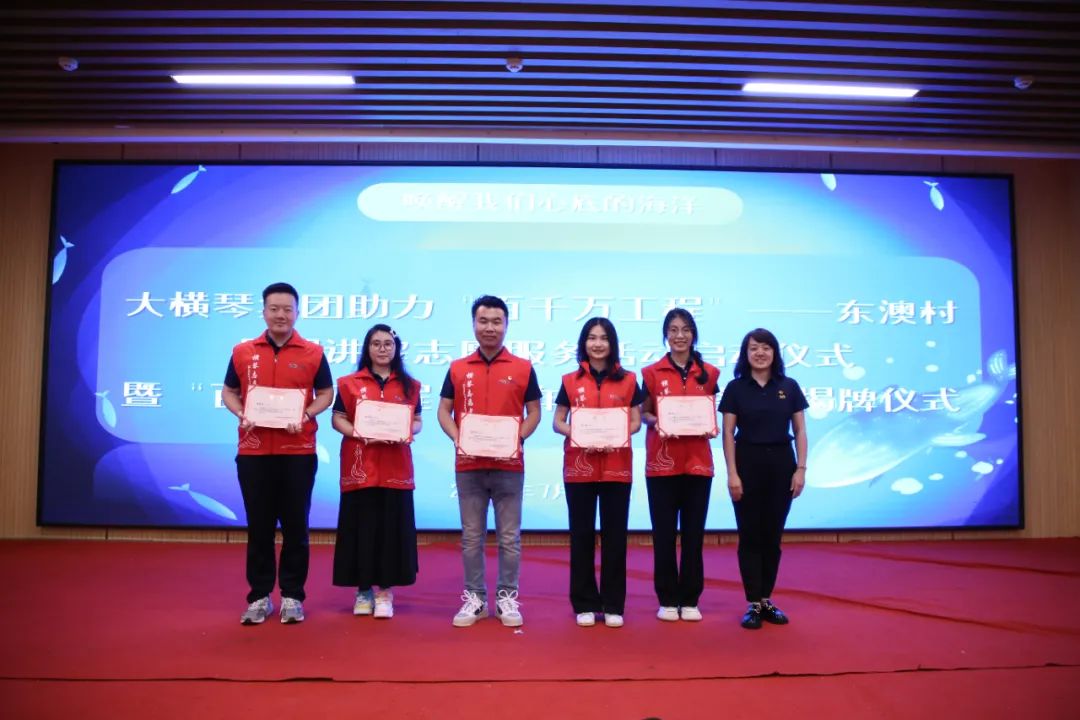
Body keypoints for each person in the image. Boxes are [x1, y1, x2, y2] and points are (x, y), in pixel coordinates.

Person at [221, 282, 333, 625]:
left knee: (296, 526)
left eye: (287, 309)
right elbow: (229, 391)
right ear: (264, 311)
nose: (281, 315)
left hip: (298, 451)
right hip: (254, 451)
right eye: (274, 308)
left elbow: (326, 393)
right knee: (259, 526)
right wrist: (241, 413)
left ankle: (292, 596)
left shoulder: (313, 352)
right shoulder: (243, 351)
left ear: (297, 312)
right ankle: (259, 597)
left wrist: (307, 415)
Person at [437, 295, 542, 628]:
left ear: (507, 325)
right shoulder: (458, 368)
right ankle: (476, 599)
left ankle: (507, 597)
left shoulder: (523, 368)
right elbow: (443, 411)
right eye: (483, 321)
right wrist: (458, 437)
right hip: (468, 465)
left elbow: (534, 412)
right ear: (473, 324)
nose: (490, 328)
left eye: (497, 321)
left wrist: (517, 438)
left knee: (509, 537)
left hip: (509, 466)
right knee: (471, 537)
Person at [553, 317, 642, 628]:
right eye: (592, 337)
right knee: (581, 536)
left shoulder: (629, 380)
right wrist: (579, 434)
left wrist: (615, 435)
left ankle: (614, 604)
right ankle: (585, 603)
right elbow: (558, 421)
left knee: (616, 537)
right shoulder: (570, 380)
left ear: (612, 343)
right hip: (580, 467)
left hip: (617, 467)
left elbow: (635, 421)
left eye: (604, 338)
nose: (598, 343)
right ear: (584, 343)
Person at [331, 324, 423, 620]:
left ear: (396, 349)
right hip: (361, 465)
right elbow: (337, 419)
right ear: (367, 348)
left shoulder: (410, 386)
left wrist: (406, 430)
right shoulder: (348, 383)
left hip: (396, 467)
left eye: (388, 344)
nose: (382, 349)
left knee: (390, 531)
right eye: (376, 343)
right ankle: (363, 591)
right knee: (361, 528)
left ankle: (385, 592)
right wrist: (359, 433)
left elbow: (417, 421)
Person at [719, 328, 808, 630]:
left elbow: (800, 430)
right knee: (750, 535)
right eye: (754, 348)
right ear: (745, 354)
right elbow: (728, 433)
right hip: (747, 463)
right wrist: (732, 473)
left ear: (774, 353)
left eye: (766, 348)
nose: (760, 353)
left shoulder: (789, 386)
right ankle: (753, 603)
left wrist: (801, 469)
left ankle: (767, 598)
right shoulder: (735, 388)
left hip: (782, 464)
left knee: (772, 535)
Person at [640, 308, 721, 623]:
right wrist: (657, 422)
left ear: (693, 334)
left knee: (693, 535)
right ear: (665, 335)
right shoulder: (651, 373)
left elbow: (710, 412)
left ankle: (690, 598)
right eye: (673, 330)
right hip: (661, 465)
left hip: (698, 465)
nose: (679, 335)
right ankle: (667, 598)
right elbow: (644, 414)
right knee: (663, 535)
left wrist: (710, 426)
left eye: (686, 329)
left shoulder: (710, 373)